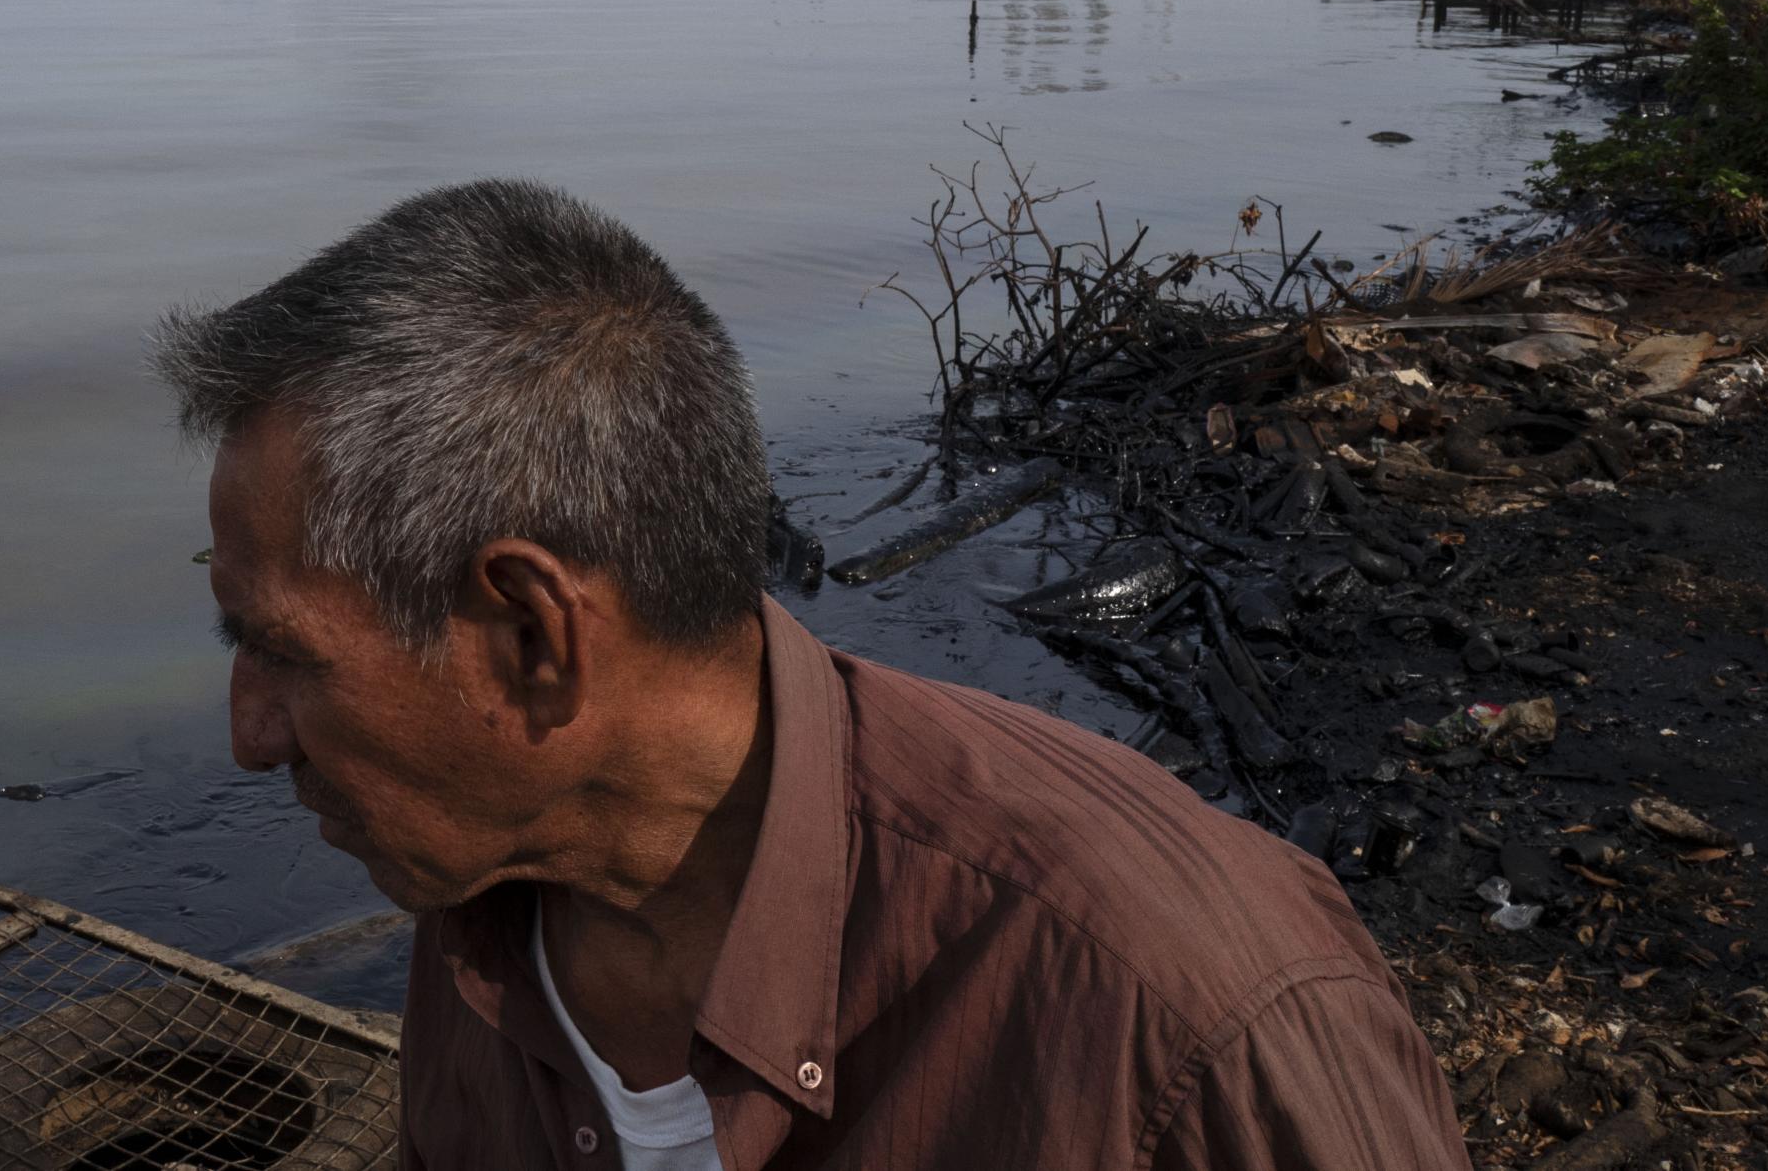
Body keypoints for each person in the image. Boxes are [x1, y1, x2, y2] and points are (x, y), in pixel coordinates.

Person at [153, 180, 1469, 1169]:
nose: (251, 738)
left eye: (278, 652)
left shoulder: (1186, 1020)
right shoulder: (488, 908)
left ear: (536, 639)